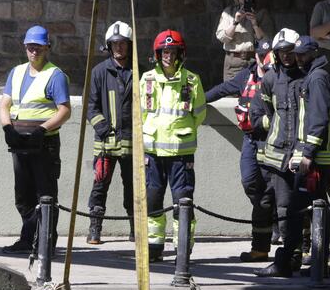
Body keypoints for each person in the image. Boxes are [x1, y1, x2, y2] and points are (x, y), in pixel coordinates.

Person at [251, 31, 330, 278]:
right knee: (291, 210)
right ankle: (294, 260)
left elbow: (316, 119)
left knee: (312, 208)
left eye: (296, 52)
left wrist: (307, 151)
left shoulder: (313, 78)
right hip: (283, 157)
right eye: (286, 52)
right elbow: (260, 112)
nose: (292, 57)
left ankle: (318, 259)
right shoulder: (272, 79)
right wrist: (274, 126)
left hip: (305, 157)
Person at [0, 25, 71, 255]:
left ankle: (46, 242)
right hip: (20, 143)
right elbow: (5, 104)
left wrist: (42, 129)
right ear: (25, 48)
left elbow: (65, 110)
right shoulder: (17, 72)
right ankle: (27, 238)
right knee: (23, 196)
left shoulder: (55, 75)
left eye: (38, 47)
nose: (34, 51)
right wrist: (7, 127)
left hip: (44, 144)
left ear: (47, 48)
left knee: (46, 195)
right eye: (30, 47)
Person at [205, 38, 275, 262]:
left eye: (268, 54)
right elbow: (224, 89)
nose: (264, 59)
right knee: (250, 183)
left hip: (272, 142)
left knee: (276, 193)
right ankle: (267, 219)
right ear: (255, 56)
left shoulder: (279, 76)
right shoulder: (248, 76)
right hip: (250, 140)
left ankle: (262, 247)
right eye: (261, 54)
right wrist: (198, 101)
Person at [140, 29, 206, 262]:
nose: (168, 55)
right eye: (164, 51)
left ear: (180, 53)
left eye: (173, 51)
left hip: (181, 153)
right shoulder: (146, 79)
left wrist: (180, 134)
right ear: (158, 54)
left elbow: (199, 114)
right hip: (153, 153)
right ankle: (154, 247)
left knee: (182, 201)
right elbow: (140, 114)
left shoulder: (192, 80)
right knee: (153, 200)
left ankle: (182, 249)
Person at [86, 21, 135, 245]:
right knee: (99, 186)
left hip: (133, 144)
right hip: (105, 144)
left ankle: (136, 229)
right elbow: (91, 106)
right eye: (115, 44)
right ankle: (95, 228)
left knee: (133, 190)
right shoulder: (99, 72)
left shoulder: (139, 72)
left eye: (123, 43)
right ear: (109, 45)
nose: (119, 48)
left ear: (129, 45)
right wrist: (103, 129)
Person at [295, 38, 330, 274]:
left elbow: (319, 118)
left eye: (303, 55)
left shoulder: (318, 77)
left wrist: (308, 153)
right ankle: (318, 256)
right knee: (311, 207)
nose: (298, 59)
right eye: (297, 55)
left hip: (317, 158)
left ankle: (329, 258)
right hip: (315, 155)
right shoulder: (313, 76)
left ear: (313, 54)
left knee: (318, 207)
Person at [215, 0, 275, 82]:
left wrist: (255, 24)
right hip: (233, 62)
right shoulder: (228, 12)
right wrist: (235, 22)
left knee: (253, 94)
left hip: (254, 60)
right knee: (232, 95)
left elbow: (267, 41)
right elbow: (222, 38)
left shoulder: (261, 13)